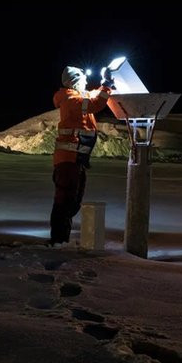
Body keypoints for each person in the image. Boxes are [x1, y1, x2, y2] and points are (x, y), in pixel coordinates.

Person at [48, 65, 115, 245]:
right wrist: (107, 85)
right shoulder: (72, 101)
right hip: (68, 161)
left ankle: (61, 239)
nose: (86, 82)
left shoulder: (77, 98)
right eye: (82, 80)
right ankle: (58, 240)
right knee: (65, 201)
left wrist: (103, 85)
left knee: (72, 201)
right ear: (74, 82)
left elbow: (92, 97)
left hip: (75, 160)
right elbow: (95, 103)